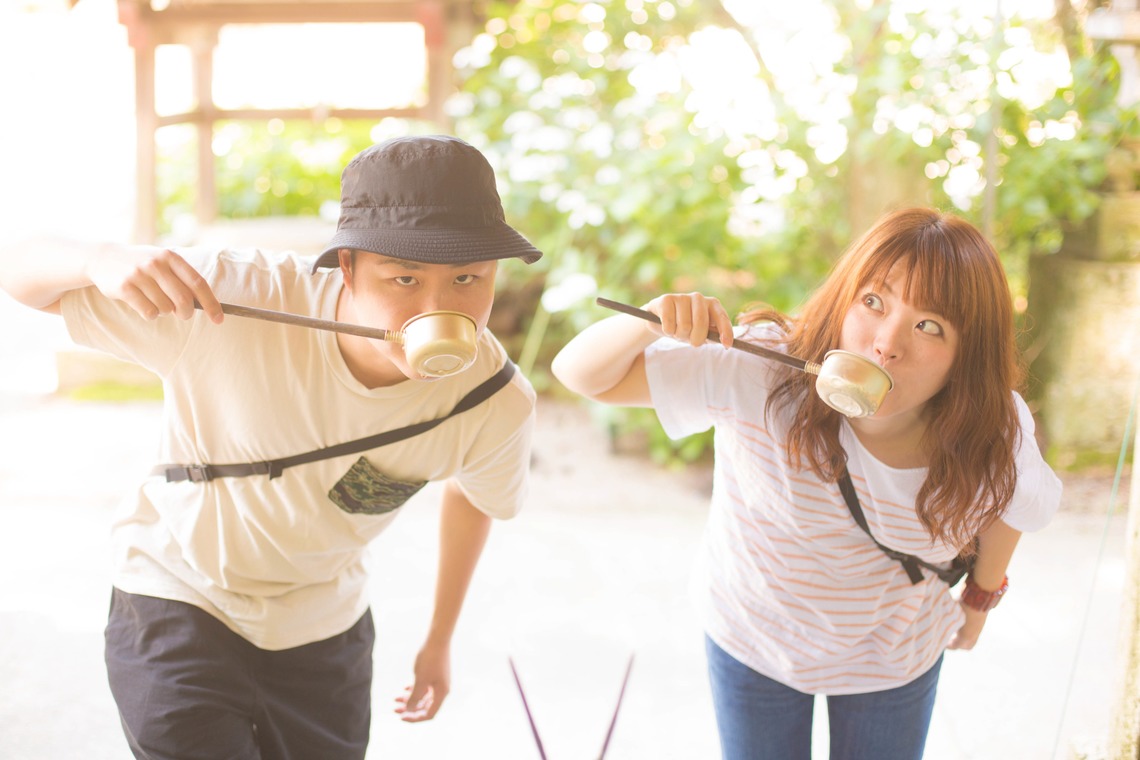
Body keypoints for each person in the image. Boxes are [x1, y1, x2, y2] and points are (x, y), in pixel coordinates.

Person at [0, 134, 543, 759]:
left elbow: (476, 497)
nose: (437, 308)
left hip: (322, 625)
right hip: (178, 590)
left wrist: (439, 639)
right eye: (404, 278)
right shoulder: (227, 300)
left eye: (468, 278)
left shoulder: (496, 401)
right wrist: (98, 258)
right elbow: (21, 274)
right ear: (346, 267)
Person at [551, 207, 1062, 760]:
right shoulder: (760, 368)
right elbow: (580, 375)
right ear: (844, 299)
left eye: (929, 326)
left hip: (892, 654)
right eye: (873, 302)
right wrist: (649, 319)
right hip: (754, 635)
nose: (886, 343)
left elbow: (1014, 505)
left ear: (966, 356)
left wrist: (979, 600)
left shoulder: (992, 430)